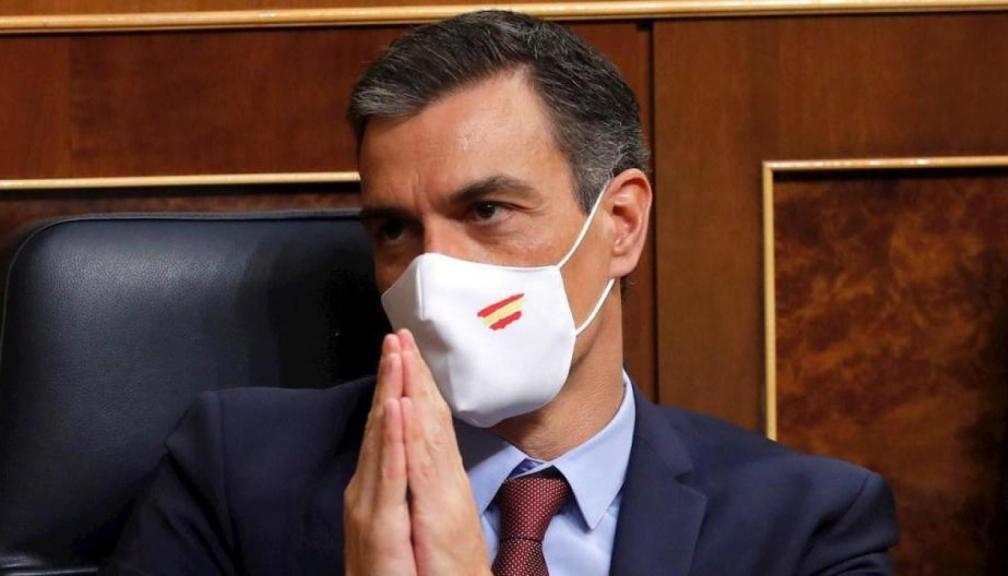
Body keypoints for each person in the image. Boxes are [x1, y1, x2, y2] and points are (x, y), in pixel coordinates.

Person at [105, 10, 898, 576]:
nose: (432, 273)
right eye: (394, 230)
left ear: (620, 223)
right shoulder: (235, 470)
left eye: (487, 211)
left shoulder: (805, 526)